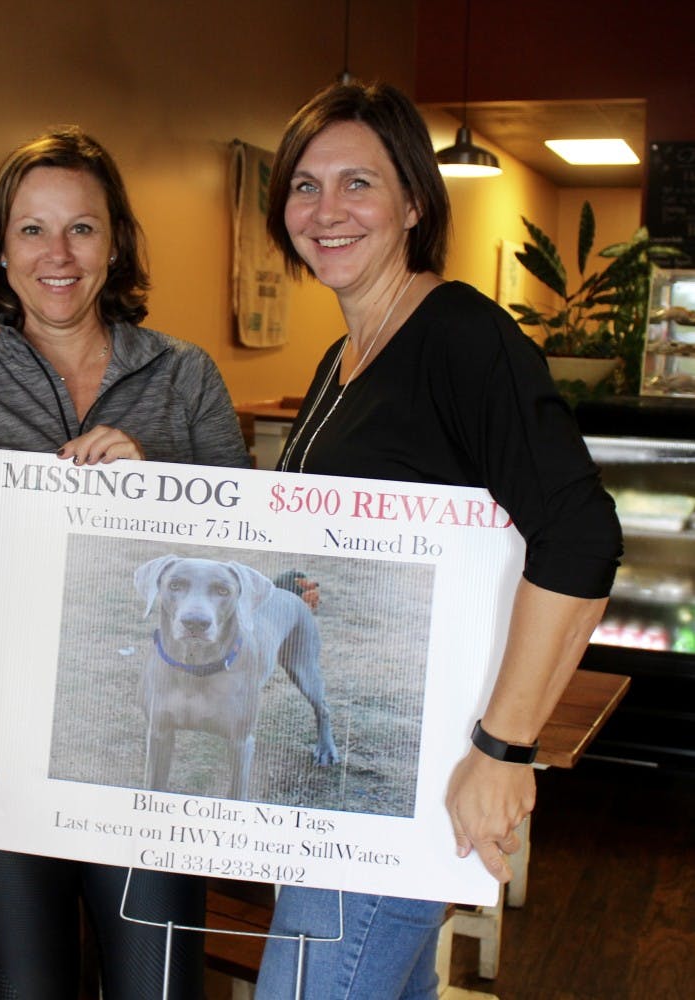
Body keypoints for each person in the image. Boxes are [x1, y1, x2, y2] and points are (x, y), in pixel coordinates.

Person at [254, 81, 622, 999]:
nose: (325, 211)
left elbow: (579, 536)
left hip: (411, 778)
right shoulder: (341, 359)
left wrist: (504, 750)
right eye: (304, 185)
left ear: (414, 202)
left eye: (357, 184)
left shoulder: (460, 336)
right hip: (355, 769)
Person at [0, 126, 250, 1000]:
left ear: (114, 242)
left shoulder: (184, 376)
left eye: (82, 228)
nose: (58, 254)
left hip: (146, 756)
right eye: (32, 230)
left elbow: (244, 550)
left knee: (156, 991)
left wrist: (156, 487)